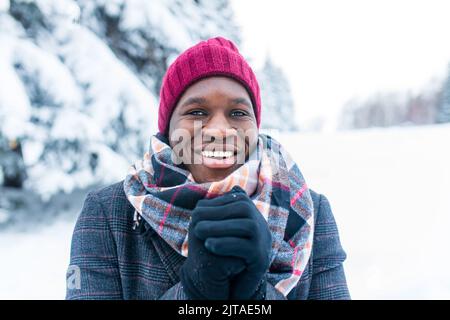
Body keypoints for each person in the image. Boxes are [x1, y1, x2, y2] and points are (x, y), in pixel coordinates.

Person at [65, 36, 350, 300]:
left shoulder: (308, 212)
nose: (219, 129)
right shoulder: (109, 212)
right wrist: (194, 291)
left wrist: (257, 295)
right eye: (196, 112)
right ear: (168, 129)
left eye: (238, 113)